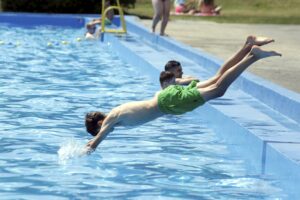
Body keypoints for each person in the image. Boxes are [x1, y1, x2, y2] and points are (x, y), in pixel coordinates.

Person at [84, 36, 281, 154]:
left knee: (219, 88)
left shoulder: (110, 119)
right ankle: (248, 45)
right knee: (216, 79)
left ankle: (253, 56)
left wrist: (88, 147)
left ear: (99, 123)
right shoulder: (117, 112)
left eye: (96, 130)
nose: (101, 131)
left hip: (169, 102)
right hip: (167, 98)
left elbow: (100, 137)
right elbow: (103, 133)